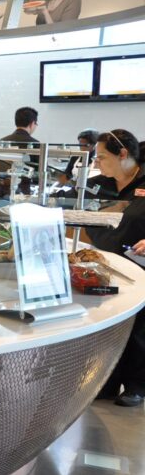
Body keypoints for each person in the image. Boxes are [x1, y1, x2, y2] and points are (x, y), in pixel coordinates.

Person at [88, 134, 145, 407]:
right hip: (101, 264)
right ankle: (106, 381)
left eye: (102, 157)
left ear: (123, 154)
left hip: (140, 266)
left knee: (139, 328)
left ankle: (136, 386)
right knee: (110, 323)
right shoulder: (98, 184)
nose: (97, 163)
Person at [0, 107, 41, 192]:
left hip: (1, 187)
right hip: (23, 189)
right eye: (36, 123)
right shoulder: (35, 144)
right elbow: (39, 171)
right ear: (32, 123)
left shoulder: (3, 141)